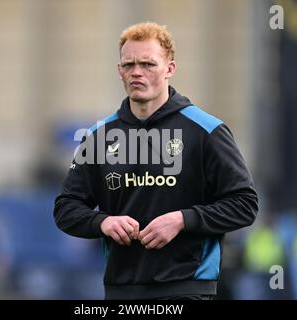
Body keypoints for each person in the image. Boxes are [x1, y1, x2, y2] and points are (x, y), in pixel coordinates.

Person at [54, 22, 258, 300]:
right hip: (121, 291)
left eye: (148, 64)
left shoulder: (207, 131)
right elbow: (66, 208)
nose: (137, 72)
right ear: (119, 71)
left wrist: (182, 220)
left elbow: (244, 204)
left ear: (169, 69)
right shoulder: (99, 136)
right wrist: (103, 222)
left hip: (187, 288)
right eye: (129, 65)